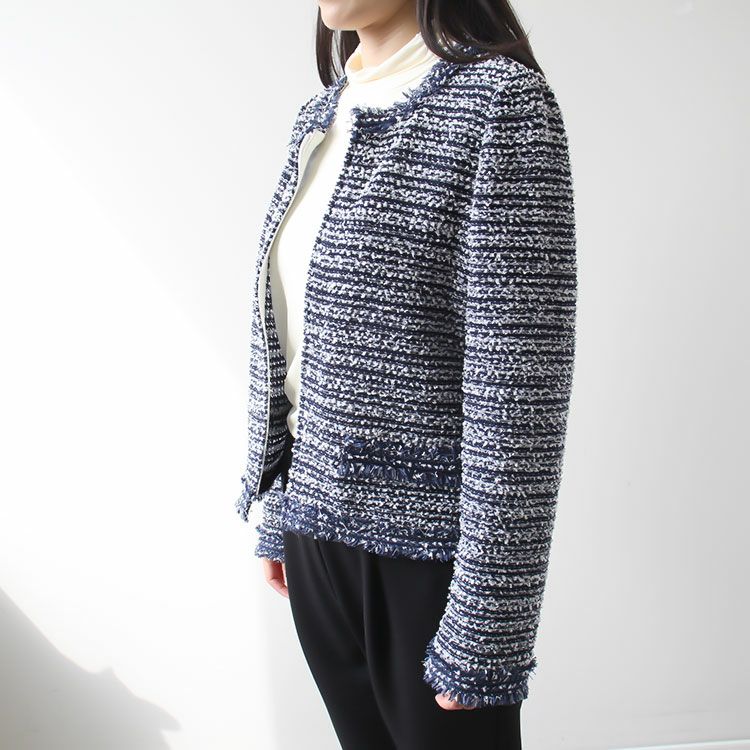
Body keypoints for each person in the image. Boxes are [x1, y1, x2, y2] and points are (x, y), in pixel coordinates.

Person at [235, 1, 577, 747]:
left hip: (430, 562)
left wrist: (491, 619)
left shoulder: (499, 106)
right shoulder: (321, 116)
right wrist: (282, 507)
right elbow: (302, 339)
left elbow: (520, 393)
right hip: (317, 542)